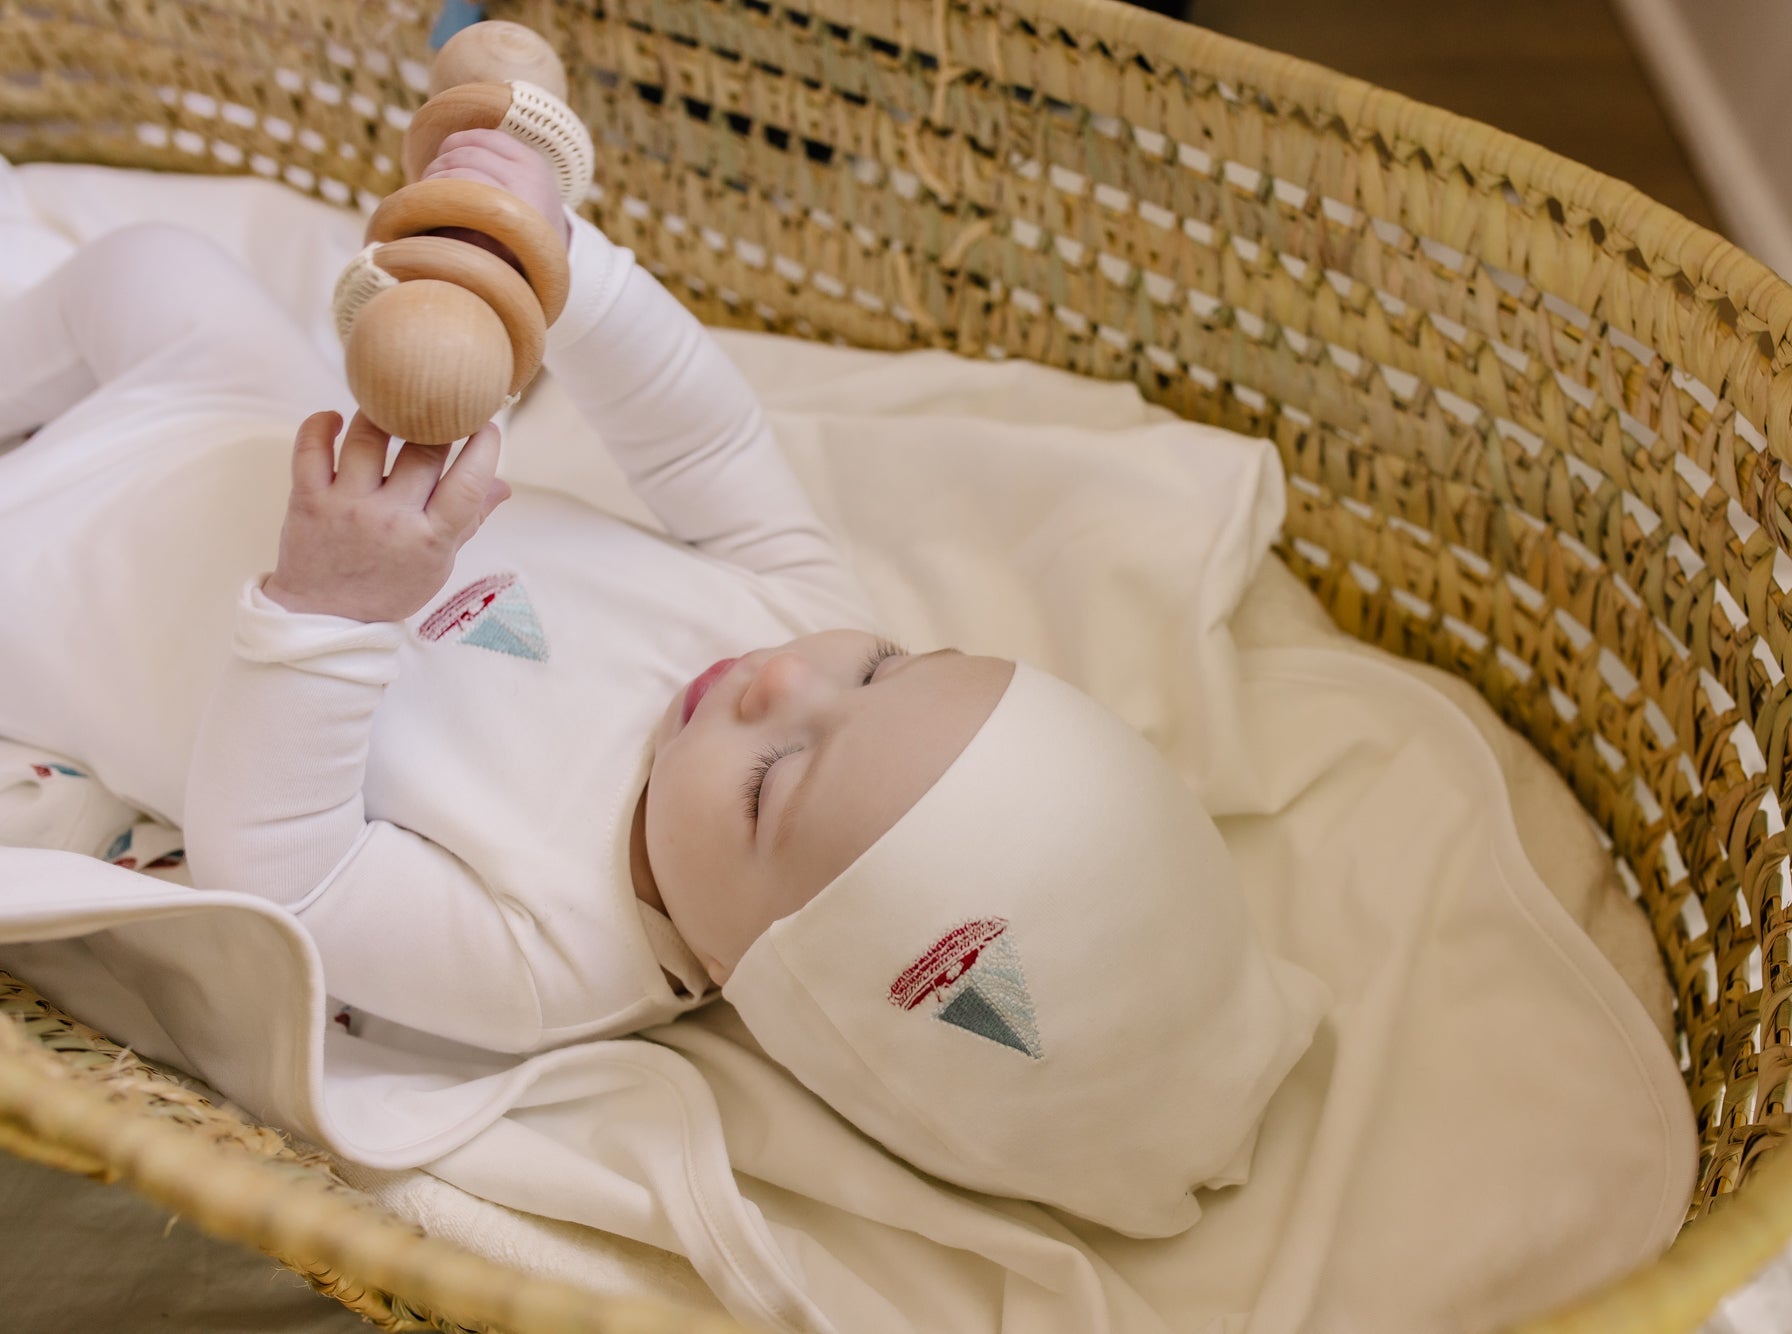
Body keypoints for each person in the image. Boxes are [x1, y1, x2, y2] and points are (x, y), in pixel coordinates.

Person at [0, 133, 1321, 1236]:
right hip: (238, 418)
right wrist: (565, 269)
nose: (774, 681)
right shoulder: (799, 617)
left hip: (60, 598)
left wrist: (333, 608)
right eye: (880, 666)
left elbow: (285, 880)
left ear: (749, 968)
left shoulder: (549, 961)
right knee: (156, 270)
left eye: (776, 781)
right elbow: (702, 431)